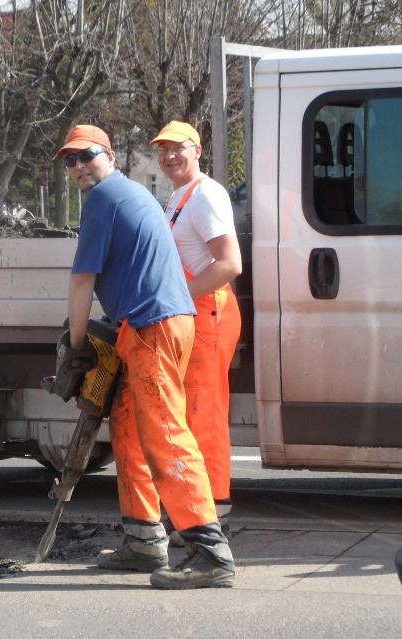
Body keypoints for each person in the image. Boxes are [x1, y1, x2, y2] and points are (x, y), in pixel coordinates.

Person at [59, 124, 236, 589]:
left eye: (86, 156)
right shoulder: (132, 193)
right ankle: (143, 539)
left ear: (110, 156)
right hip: (158, 324)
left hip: (152, 327)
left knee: (164, 433)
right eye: (69, 160)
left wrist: (76, 347)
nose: (78, 166)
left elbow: (81, 281)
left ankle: (209, 552)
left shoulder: (103, 199)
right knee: (129, 427)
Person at [151, 120, 243, 544]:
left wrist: (178, 299)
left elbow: (229, 264)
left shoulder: (206, 194)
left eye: (178, 148)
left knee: (203, 416)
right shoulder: (178, 197)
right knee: (189, 413)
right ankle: (196, 510)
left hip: (208, 314)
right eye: (163, 149)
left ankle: (213, 515)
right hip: (195, 313)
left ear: (198, 149)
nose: (170, 156)